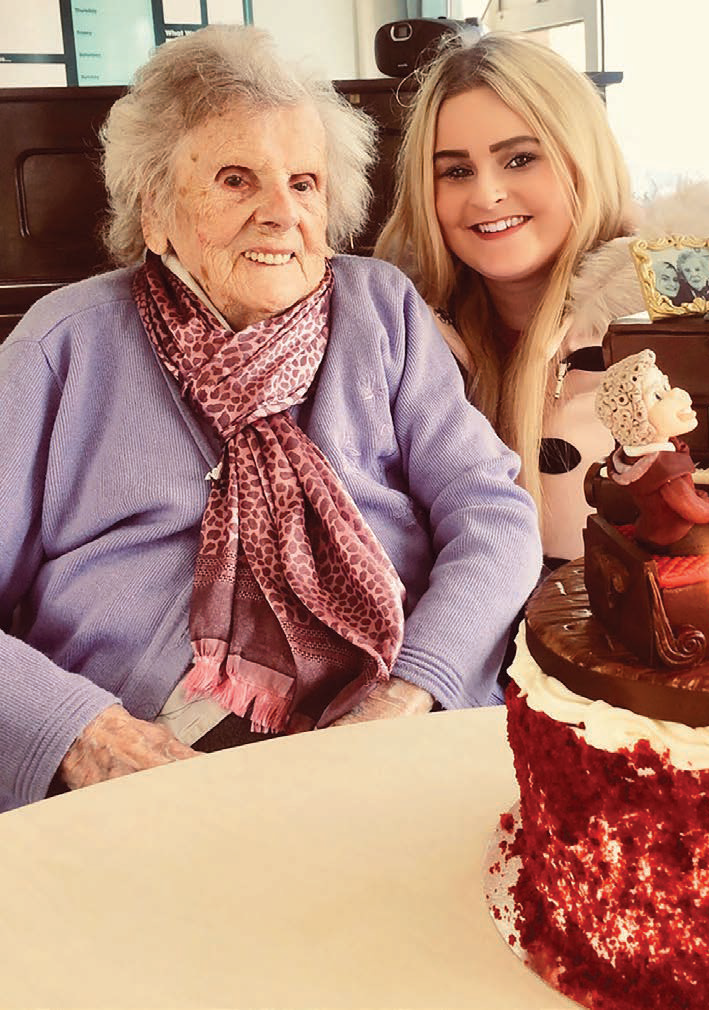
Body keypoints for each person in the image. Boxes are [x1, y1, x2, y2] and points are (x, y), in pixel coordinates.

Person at [0, 26, 542, 811]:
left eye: (304, 182)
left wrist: (417, 688)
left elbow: (491, 515)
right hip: (144, 759)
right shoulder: (65, 344)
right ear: (155, 210)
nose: (281, 213)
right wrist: (84, 735)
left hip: (384, 721)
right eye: (234, 179)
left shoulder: (379, 309)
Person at [376, 33, 709, 568]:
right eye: (456, 171)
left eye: (520, 159)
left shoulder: (682, 307)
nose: (486, 194)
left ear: (583, 160)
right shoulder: (396, 330)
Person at [594, 349, 709, 564]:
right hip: (674, 538)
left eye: (666, 387)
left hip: (648, 530)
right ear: (636, 417)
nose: (678, 394)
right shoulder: (663, 469)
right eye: (658, 395)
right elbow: (697, 511)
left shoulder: (632, 456)